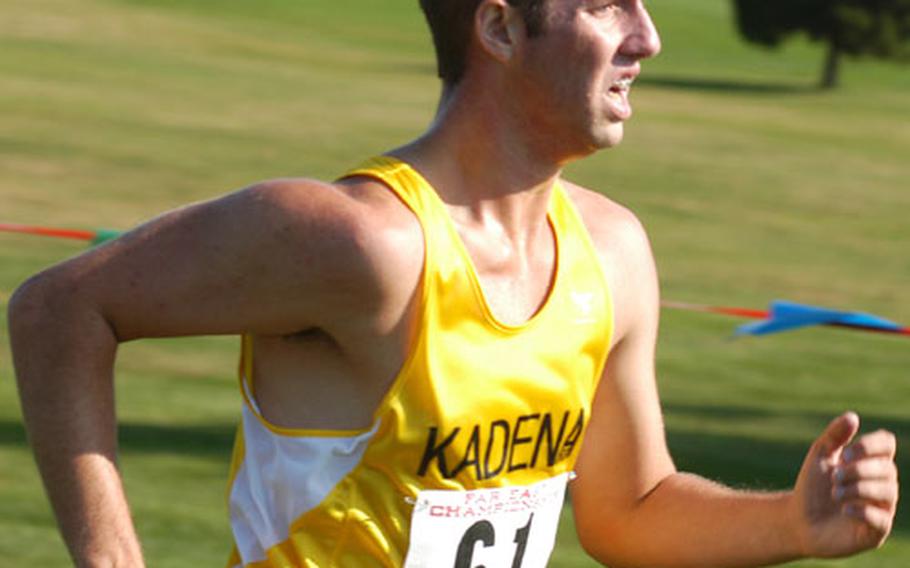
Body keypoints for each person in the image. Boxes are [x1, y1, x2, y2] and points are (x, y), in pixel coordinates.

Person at [8, 0, 898, 566]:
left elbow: (627, 510)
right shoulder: (363, 243)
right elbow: (59, 307)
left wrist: (792, 524)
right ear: (501, 28)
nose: (649, 37)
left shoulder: (612, 251)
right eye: (604, 5)